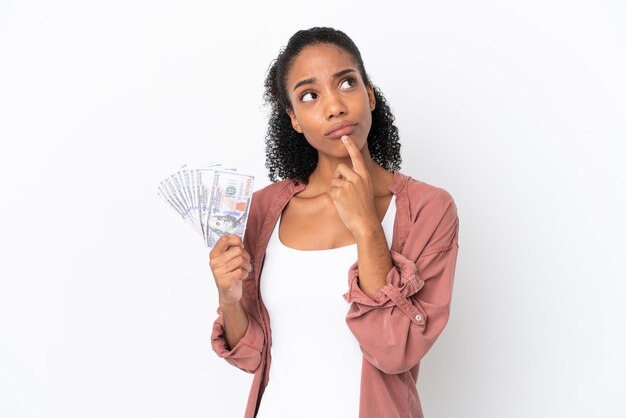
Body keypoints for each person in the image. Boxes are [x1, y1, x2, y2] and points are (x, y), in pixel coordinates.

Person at [209, 27, 459, 418]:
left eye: (346, 83)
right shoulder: (262, 210)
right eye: (310, 95)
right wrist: (229, 298)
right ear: (293, 118)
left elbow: (394, 351)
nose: (334, 107)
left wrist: (367, 227)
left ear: (369, 94)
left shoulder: (428, 209)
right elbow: (251, 356)